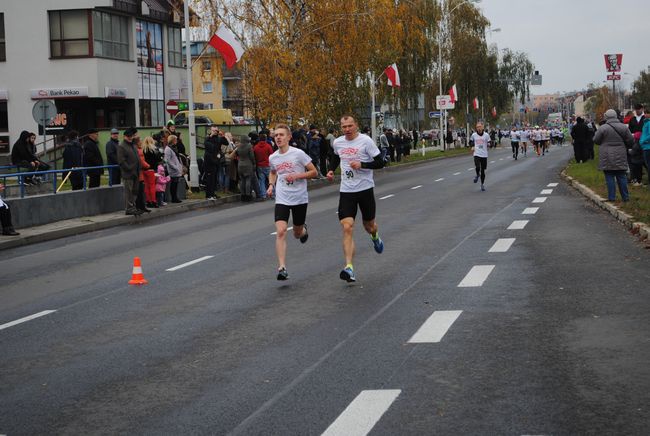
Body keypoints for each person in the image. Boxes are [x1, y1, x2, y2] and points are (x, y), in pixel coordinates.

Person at [326, 115, 385, 283]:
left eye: (350, 126)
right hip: (346, 191)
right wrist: (331, 170)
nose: (347, 129)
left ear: (356, 126)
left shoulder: (366, 141)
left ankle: (375, 236)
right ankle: (349, 267)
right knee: (347, 227)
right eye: (344, 126)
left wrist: (363, 165)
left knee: (369, 226)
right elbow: (336, 157)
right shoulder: (338, 142)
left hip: (365, 190)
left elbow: (381, 162)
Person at [267, 124, 318, 280]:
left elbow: (314, 172)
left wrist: (296, 176)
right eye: (276, 135)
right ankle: (282, 268)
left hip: (299, 198)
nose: (278, 138)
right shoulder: (273, 157)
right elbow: (273, 171)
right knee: (281, 231)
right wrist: (271, 185)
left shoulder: (298, 154)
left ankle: (303, 230)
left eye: (281, 135)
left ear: (289, 137)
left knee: (296, 233)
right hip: (282, 198)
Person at [594, 109, 634, 202]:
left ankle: (611, 197)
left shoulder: (603, 128)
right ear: (616, 116)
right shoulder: (623, 127)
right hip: (621, 153)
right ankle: (625, 197)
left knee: (609, 175)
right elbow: (631, 140)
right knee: (621, 175)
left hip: (606, 154)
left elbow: (596, 140)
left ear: (606, 117)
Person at [117, 127, 142, 215]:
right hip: (128, 174)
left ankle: (133, 207)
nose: (130, 137)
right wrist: (129, 169)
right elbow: (121, 161)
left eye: (131, 136)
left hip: (136, 173)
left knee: (135, 191)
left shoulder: (133, 145)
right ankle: (129, 208)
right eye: (128, 136)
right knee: (129, 192)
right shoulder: (121, 146)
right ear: (124, 136)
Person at [228, 137, 256, 202]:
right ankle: (248, 196)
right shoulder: (249, 147)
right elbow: (252, 157)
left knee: (242, 181)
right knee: (248, 180)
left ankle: (243, 195)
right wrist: (254, 164)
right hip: (248, 165)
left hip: (240, 165)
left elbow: (232, 156)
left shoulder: (238, 147)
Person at [627, 104, 646, 186]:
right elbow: (629, 130)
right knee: (635, 161)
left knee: (645, 161)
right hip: (635, 142)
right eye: (636, 109)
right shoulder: (632, 119)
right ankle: (637, 178)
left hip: (644, 142)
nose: (637, 111)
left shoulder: (645, 118)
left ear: (642, 109)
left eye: (639, 109)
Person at [203, 125, 222, 200]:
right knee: (209, 179)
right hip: (209, 162)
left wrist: (219, 155)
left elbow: (218, 148)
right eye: (213, 130)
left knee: (214, 179)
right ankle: (208, 195)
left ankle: (213, 193)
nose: (215, 132)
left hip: (215, 161)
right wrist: (211, 136)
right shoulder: (208, 138)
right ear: (211, 131)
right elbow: (207, 144)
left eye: (216, 131)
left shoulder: (218, 139)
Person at [471, 121, 490, 192]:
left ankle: (482, 184)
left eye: (479, 127)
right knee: (477, 166)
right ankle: (477, 175)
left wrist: (489, 144)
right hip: (476, 153)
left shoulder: (486, 135)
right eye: (477, 127)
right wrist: (472, 146)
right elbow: (471, 141)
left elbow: (489, 142)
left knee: (483, 170)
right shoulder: (474, 135)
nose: (478, 128)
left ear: (483, 127)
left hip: (484, 154)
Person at [254, 133, 274, 199]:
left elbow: (255, 156)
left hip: (259, 165)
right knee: (271, 180)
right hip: (267, 165)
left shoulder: (256, 147)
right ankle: (273, 193)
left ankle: (263, 194)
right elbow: (272, 155)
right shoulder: (268, 146)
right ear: (265, 139)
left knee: (261, 180)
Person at [141, 136, 160, 207]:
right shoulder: (153, 149)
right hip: (152, 169)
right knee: (152, 185)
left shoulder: (143, 149)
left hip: (144, 169)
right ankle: (154, 201)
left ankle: (148, 201)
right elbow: (158, 159)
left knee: (146, 186)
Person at [164, 135, 184, 203]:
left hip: (177, 168)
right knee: (173, 184)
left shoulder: (174, 148)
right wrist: (175, 167)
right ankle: (173, 198)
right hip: (173, 169)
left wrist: (180, 166)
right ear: (172, 140)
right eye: (175, 140)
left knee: (176, 184)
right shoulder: (168, 149)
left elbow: (177, 157)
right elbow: (168, 160)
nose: (176, 141)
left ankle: (175, 197)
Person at [639, 114, 650, 187]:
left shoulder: (649, 123)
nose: (646, 114)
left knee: (649, 165)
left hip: (648, 147)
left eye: (648, 112)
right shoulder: (645, 123)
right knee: (647, 165)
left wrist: (643, 141)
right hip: (645, 147)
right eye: (645, 112)